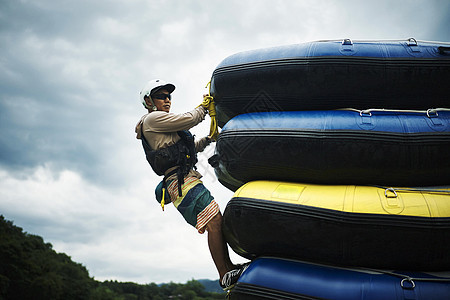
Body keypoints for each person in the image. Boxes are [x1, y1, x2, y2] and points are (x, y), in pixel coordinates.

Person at [135, 79, 248, 290]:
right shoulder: (152, 120)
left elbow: (188, 148)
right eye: (161, 96)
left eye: (169, 96)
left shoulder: (164, 126)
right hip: (180, 182)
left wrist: (209, 139)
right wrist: (204, 107)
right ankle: (224, 274)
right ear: (149, 101)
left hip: (187, 178)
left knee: (216, 220)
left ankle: (228, 268)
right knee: (214, 221)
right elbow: (189, 119)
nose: (167, 100)